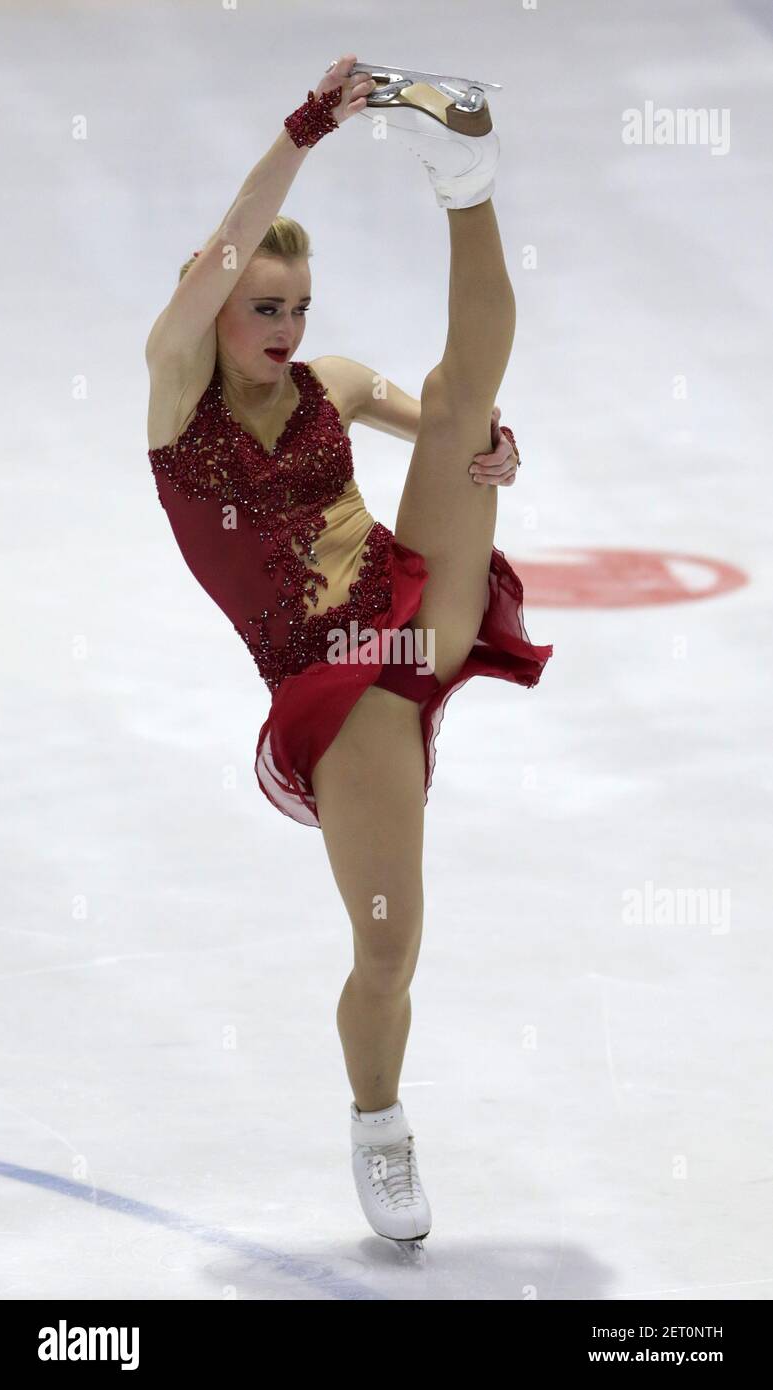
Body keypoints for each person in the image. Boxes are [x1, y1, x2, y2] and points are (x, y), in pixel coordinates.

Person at [145, 53, 553, 1254]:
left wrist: (488, 453)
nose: (285, 329)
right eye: (261, 306)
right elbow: (224, 243)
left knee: (464, 395)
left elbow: (431, 413)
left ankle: (464, 172)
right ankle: (377, 1124)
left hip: (406, 604)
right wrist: (306, 123)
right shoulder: (178, 404)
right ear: (211, 311)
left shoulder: (323, 383)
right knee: (388, 939)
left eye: (296, 307)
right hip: (331, 681)